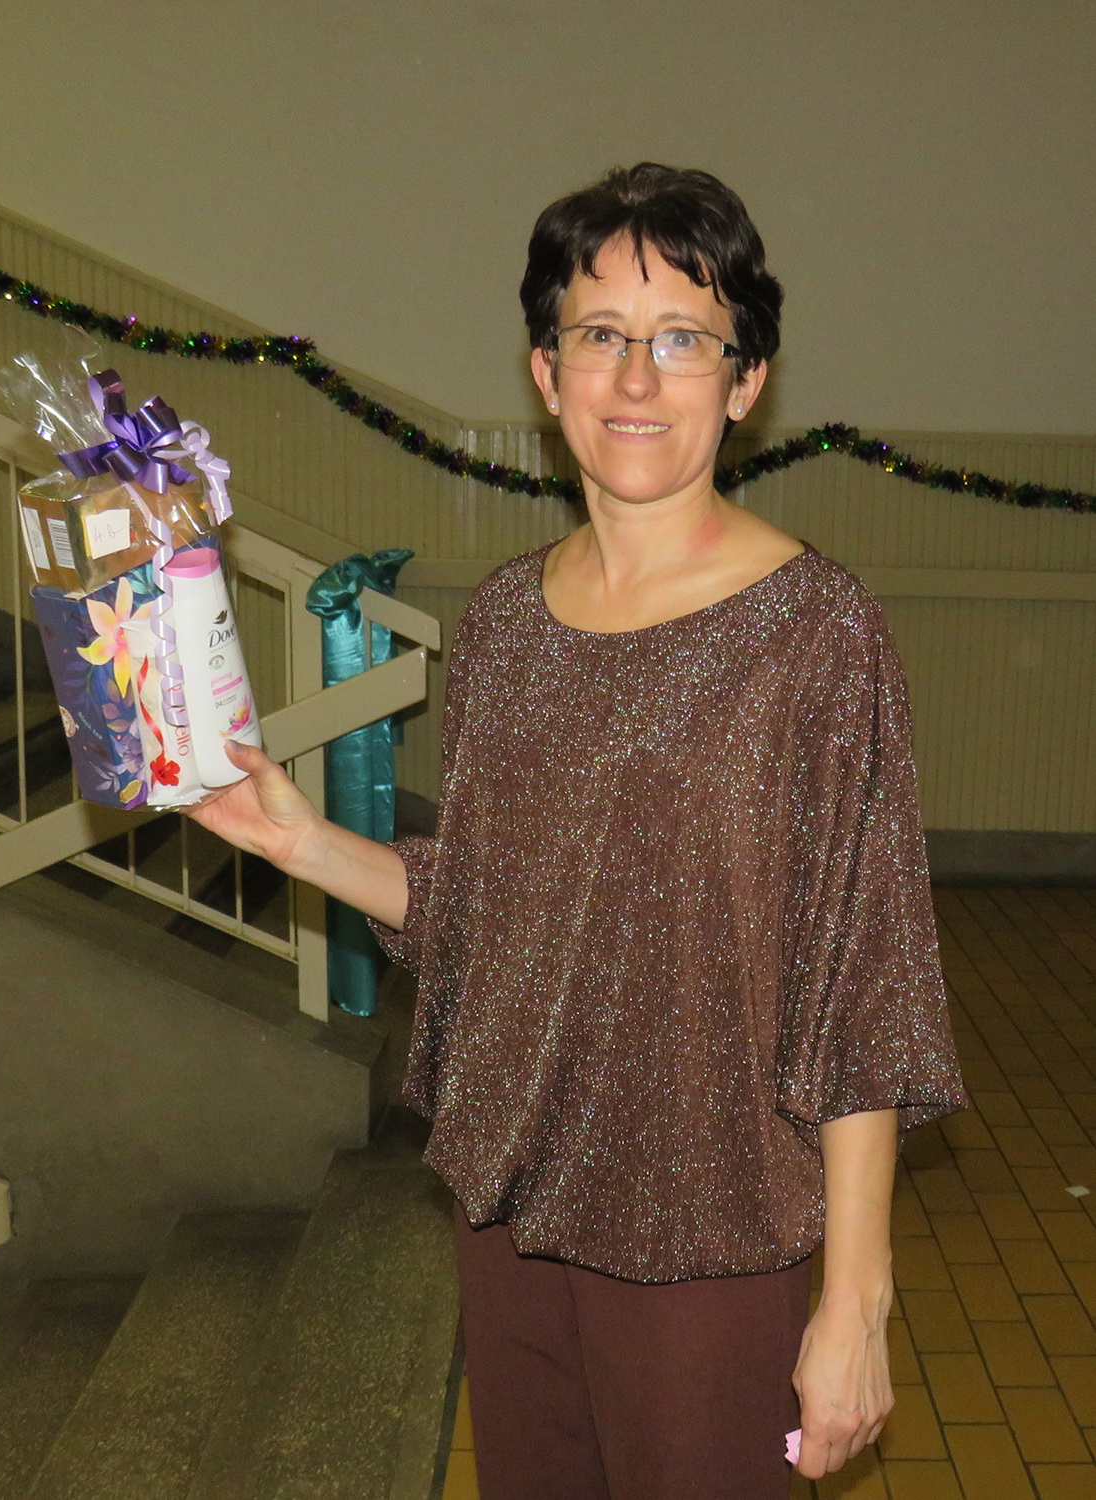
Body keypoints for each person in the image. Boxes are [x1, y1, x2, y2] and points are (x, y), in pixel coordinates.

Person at [189, 162, 967, 1499]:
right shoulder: (504, 622)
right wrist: (303, 843)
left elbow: (862, 979)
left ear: (745, 380)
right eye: (600, 333)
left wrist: (855, 1303)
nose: (636, 377)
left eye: (684, 339)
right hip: (516, 1205)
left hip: (711, 1231)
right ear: (547, 374)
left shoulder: (813, 631)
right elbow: (494, 918)